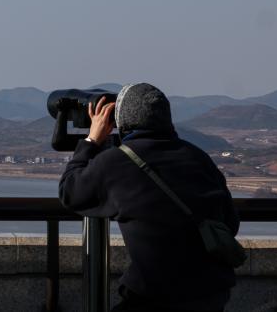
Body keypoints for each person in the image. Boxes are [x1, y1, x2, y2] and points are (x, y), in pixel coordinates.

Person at [58, 83, 239, 312]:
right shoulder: (198, 157)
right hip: (211, 292)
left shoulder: (116, 163)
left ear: (122, 121)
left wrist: (91, 140)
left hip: (157, 294)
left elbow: (70, 192)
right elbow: (230, 222)